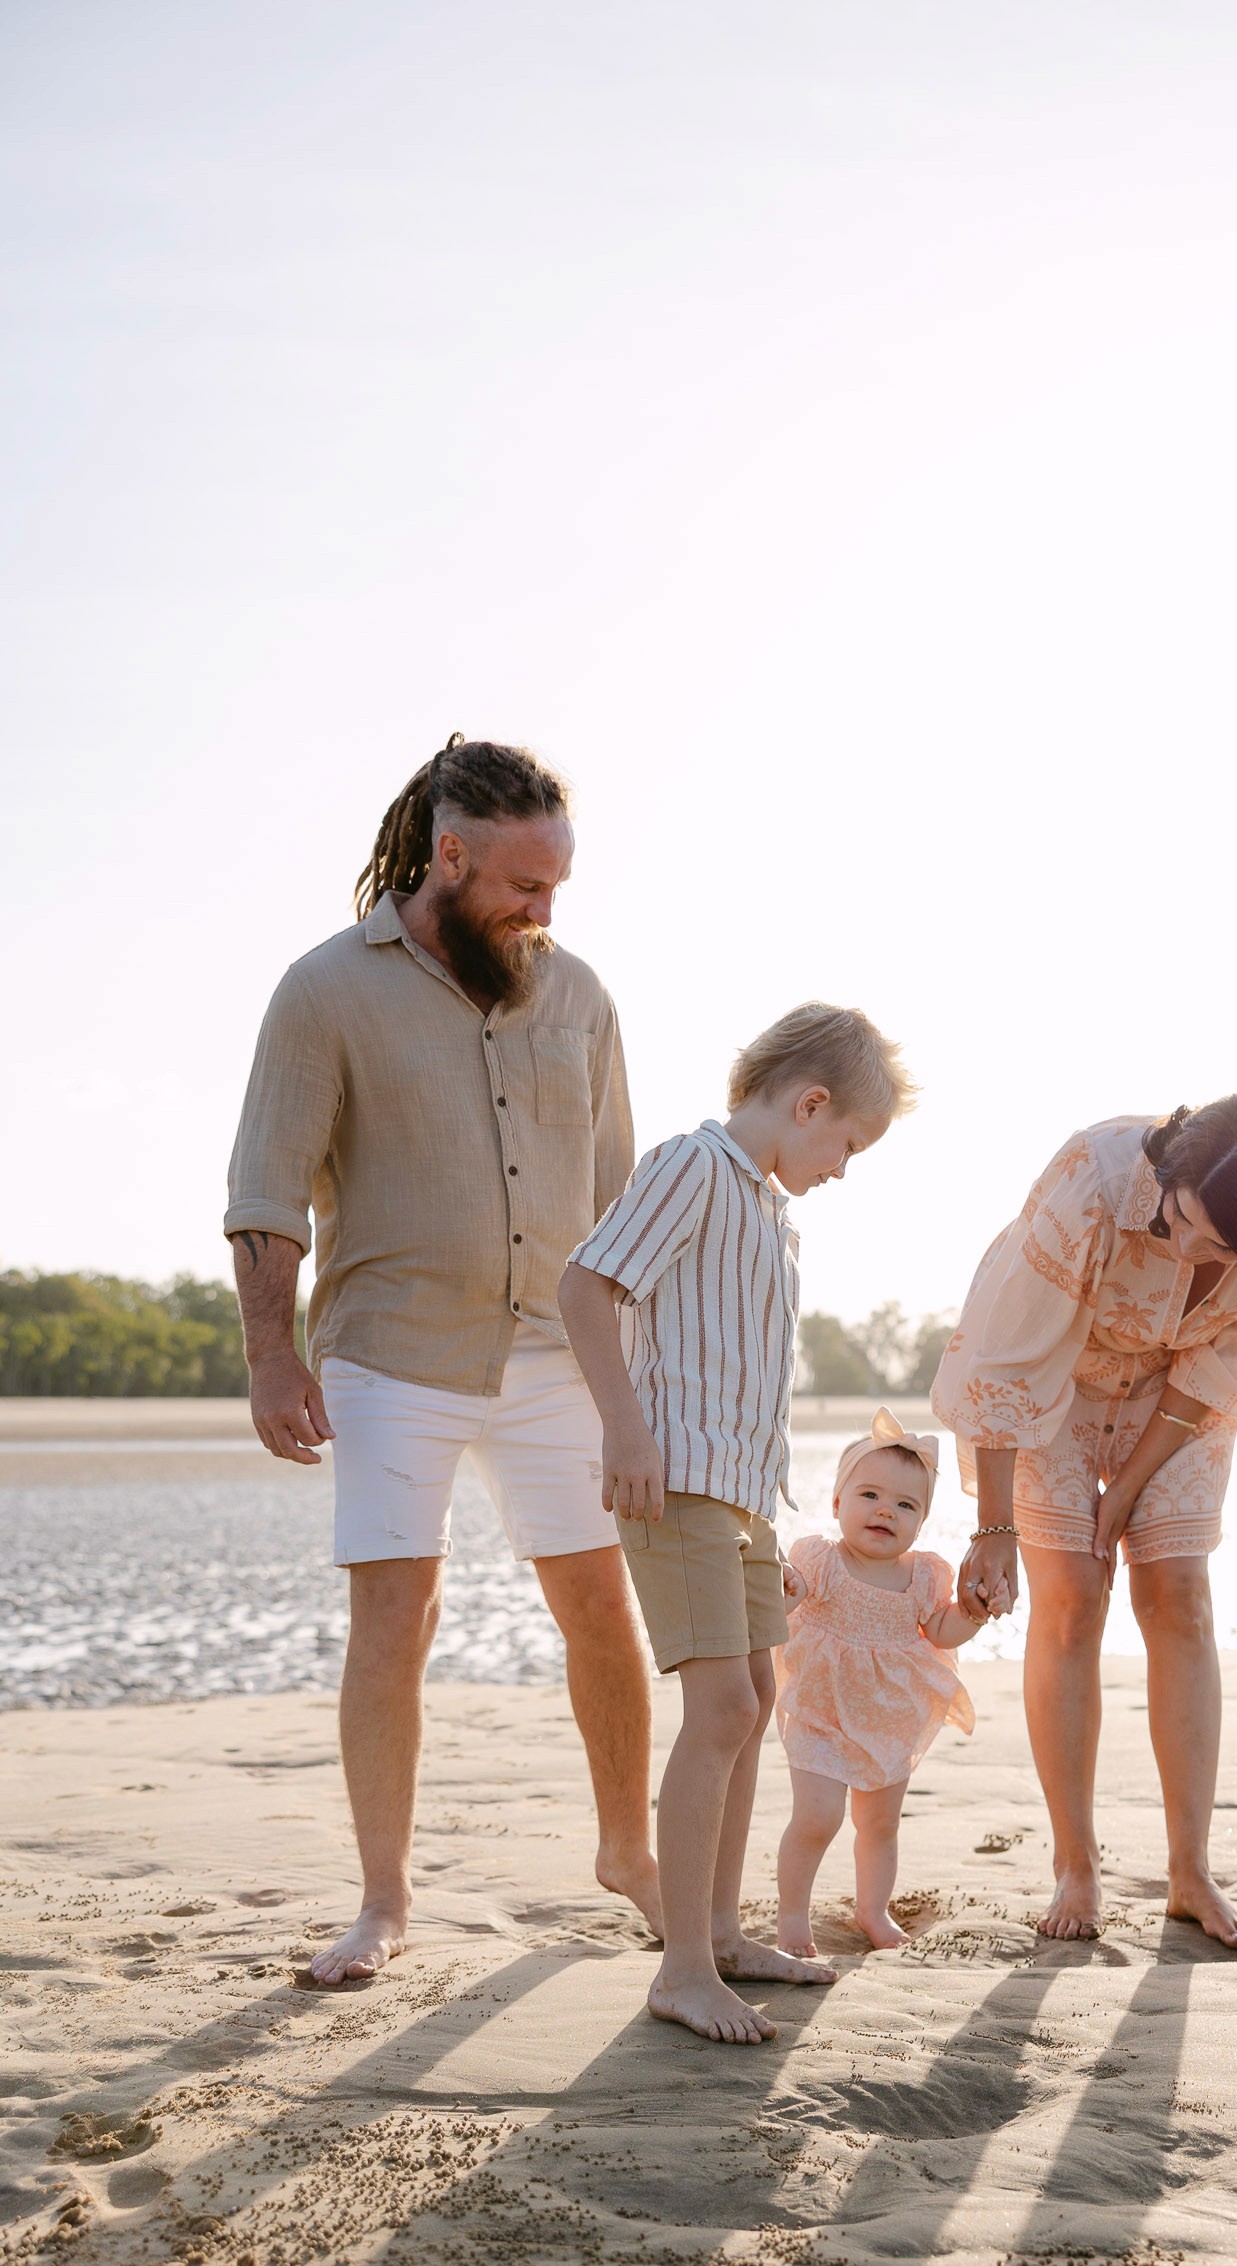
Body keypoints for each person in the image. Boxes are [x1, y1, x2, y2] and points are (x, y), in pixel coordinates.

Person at [224, 734, 661, 1986]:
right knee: (395, 1616)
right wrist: (269, 1355)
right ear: (450, 855)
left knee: (598, 1607)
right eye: (524, 886)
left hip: (556, 1352)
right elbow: (266, 1186)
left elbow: (625, 1196)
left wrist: (645, 1380)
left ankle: (629, 1854)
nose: (542, 912)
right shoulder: (324, 989)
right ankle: (383, 1899)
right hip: (390, 1350)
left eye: (558, 888)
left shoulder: (577, 993)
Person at [932, 1096, 1237, 1950]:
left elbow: (1221, 1365)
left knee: (1178, 1595)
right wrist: (994, 1529)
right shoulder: (1092, 1182)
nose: (1188, 1249)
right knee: (1072, 1599)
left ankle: (1190, 1873)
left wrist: (1128, 1487)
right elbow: (1006, 1357)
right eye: (1180, 1221)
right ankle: (1076, 1863)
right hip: (1048, 1384)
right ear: (1169, 1176)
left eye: (1221, 1247)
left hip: (1176, 1393)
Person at [559, 1004, 915, 2044]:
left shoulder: (772, 1212)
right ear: (809, 1103)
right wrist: (624, 1428)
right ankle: (679, 1967)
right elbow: (585, 1288)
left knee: (754, 1700)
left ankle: (719, 1933)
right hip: (672, 1479)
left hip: (746, 1491)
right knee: (718, 1709)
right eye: (844, 1142)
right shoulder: (691, 1166)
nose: (842, 1167)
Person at [773, 1407, 1000, 1956]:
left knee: (879, 1825)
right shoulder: (820, 1560)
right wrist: (782, 1590)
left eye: (905, 1504)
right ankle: (791, 1918)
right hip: (820, 1711)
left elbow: (941, 1632)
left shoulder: (923, 1574)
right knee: (817, 1817)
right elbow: (787, 1598)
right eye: (869, 1496)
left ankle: (872, 1910)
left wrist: (972, 1611)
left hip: (890, 1717)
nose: (885, 1511)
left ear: (920, 1522)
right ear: (836, 1504)